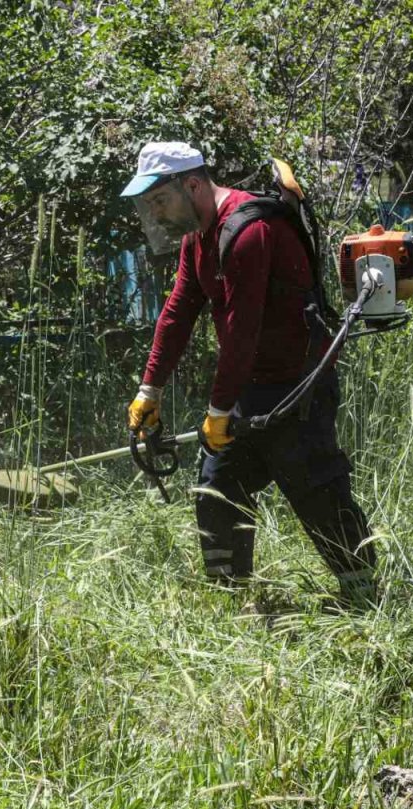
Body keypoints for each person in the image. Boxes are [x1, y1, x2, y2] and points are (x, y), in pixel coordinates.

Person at [120, 141, 378, 609]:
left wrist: (218, 411)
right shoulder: (197, 236)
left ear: (192, 185)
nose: (154, 213)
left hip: (299, 384)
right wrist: (148, 390)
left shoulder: (248, 232)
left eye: (159, 200)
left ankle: (366, 599)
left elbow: (243, 333)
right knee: (216, 488)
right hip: (250, 387)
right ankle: (229, 601)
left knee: (316, 492)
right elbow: (178, 311)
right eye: (149, 204)